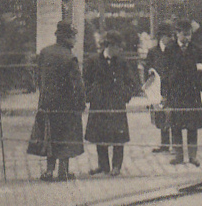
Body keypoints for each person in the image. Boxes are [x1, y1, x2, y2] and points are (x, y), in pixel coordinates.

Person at [27, 20, 86, 181]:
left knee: (49, 136)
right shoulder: (70, 57)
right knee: (65, 137)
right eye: (73, 37)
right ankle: (63, 171)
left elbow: (37, 76)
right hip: (66, 105)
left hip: (46, 102)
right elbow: (77, 85)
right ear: (67, 38)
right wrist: (81, 104)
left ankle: (48, 171)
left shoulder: (45, 52)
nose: (74, 40)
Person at [83, 30, 141, 176]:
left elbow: (133, 83)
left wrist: (124, 95)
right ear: (109, 46)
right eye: (117, 47)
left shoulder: (122, 62)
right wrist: (92, 95)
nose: (119, 50)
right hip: (99, 103)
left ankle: (116, 166)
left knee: (118, 136)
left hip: (116, 103)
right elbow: (85, 81)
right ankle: (103, 166)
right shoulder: (93, 60)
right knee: (100, 136)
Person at [162, 19, 202, 166]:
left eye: (189, 34)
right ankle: (179, 155)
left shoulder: (196, 50)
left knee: (192, 126)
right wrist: (166, 91)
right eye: (184, 34)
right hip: (176, 93)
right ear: (177, 33)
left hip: (192, 93)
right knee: (176, 126)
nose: (187, 38)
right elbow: (165, 72)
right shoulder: (170, 49)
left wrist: (199, 85)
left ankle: (193, 156)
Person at [145, 23, 173, 153]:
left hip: (171, 86)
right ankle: (165, 144)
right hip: (158, 87)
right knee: (161, 115)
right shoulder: (153, 52)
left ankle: (174, 144)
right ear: (161, 37)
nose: (170, 39)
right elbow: (148, 67)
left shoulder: (173, 50)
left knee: (171, 114)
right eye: (167, 36)